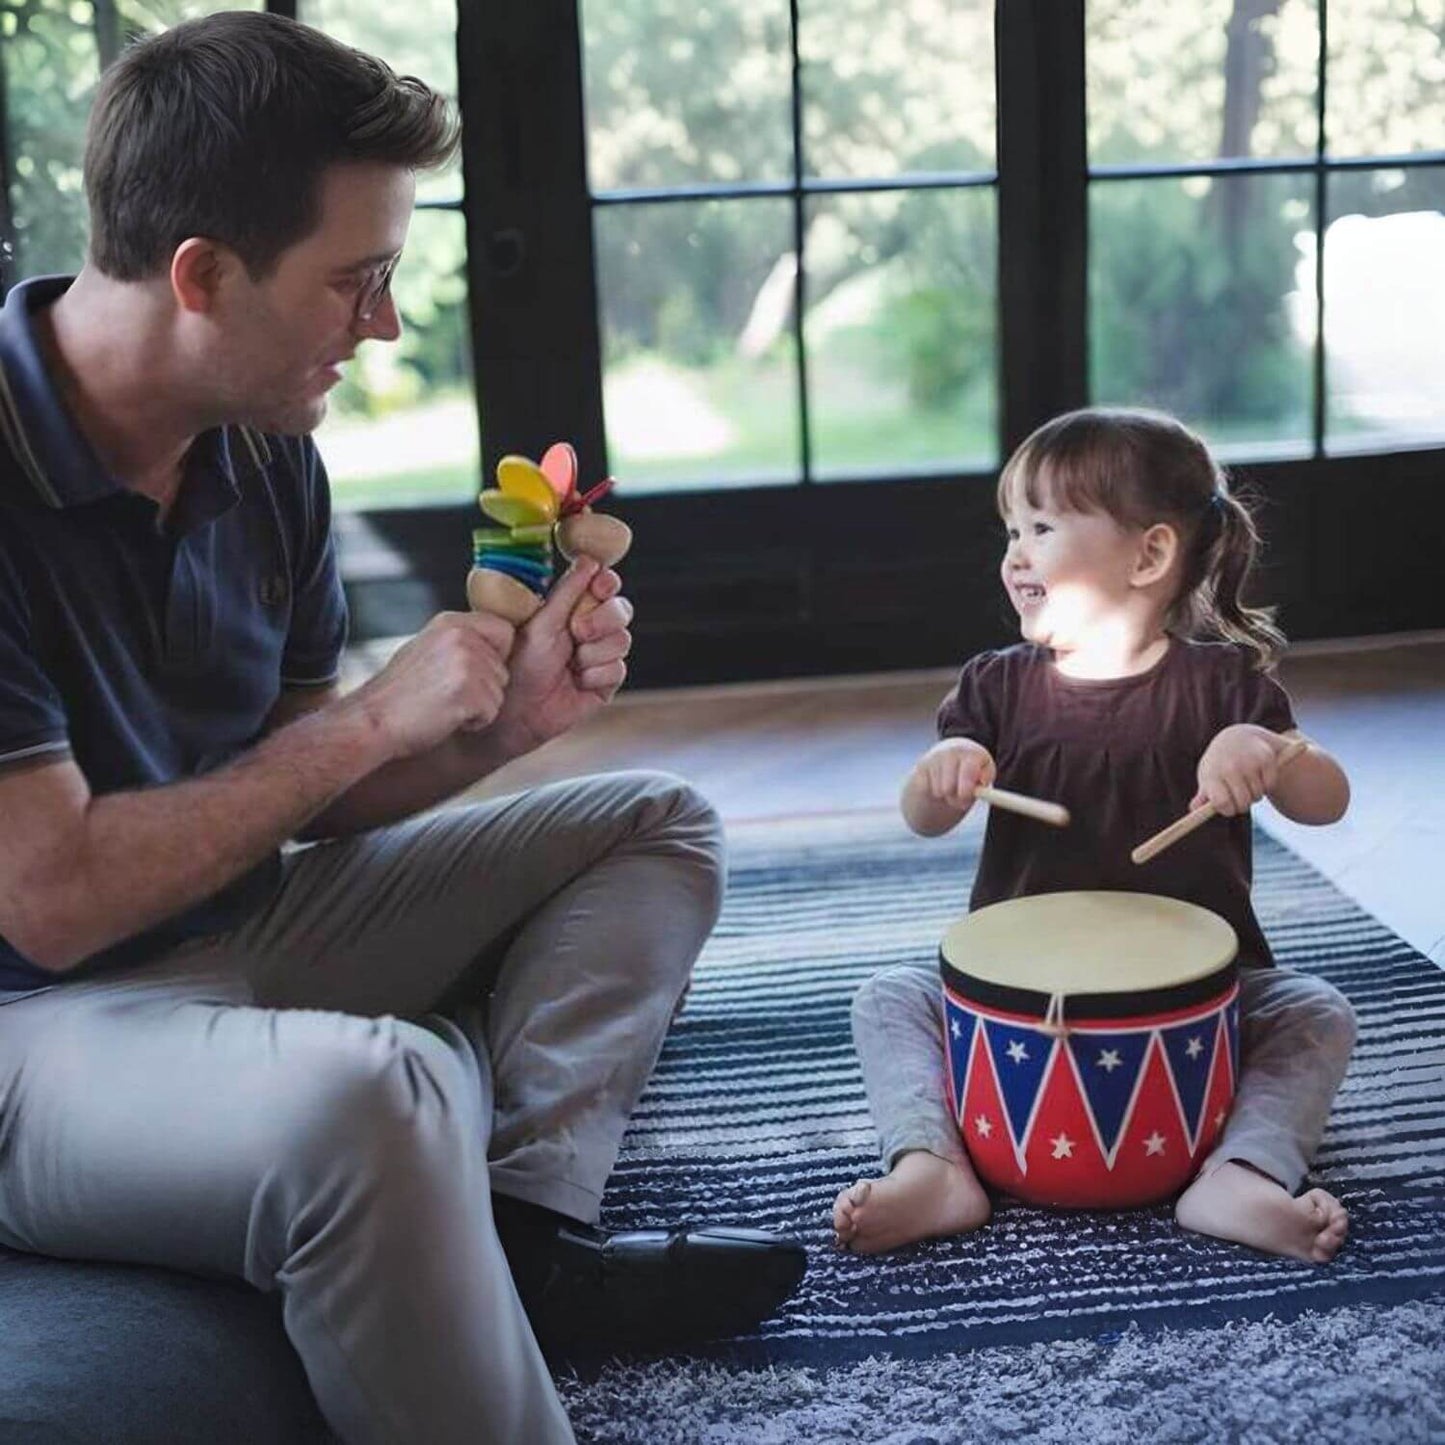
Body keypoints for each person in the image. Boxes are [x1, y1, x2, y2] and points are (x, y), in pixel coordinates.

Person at [0, 13, 803, 1445]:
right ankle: (438, 1215)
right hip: (36, 1027)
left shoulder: (261, 450)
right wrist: (372, 718)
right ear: (200, 274)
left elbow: (305, 783)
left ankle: (517, 1235)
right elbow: (51, 904)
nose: (381, 324)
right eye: (356, 280)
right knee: (396, 1086)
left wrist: (502, 731)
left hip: (251, 920)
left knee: (656, 820)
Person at [832, 407, 1356, 1265]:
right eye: (1010, 528)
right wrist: (942, 771)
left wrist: (1266, 752)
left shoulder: (1222, 685)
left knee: (1314, 1011)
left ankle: (1241, 1171)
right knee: (890, 996)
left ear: (1147, 555)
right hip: (1019, 997)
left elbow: (1325, 800)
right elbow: (921, 818)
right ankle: (935, 1165)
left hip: (1201, 998)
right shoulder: (993, 687)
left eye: (1040, 526)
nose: (1013, 552)